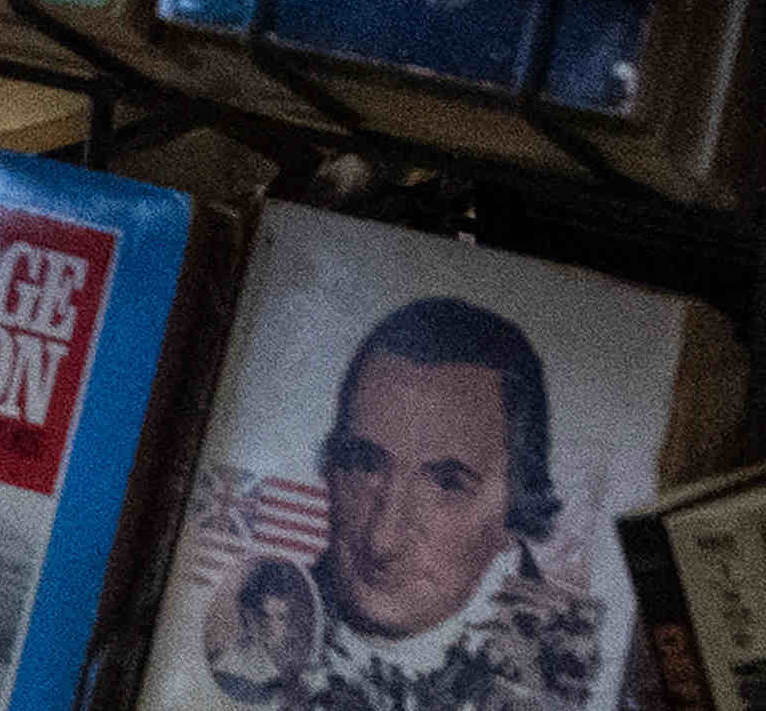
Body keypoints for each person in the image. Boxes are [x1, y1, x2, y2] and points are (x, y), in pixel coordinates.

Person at [211, 294, 601, 711]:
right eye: (364, 464)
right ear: (332, 467)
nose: (382, 540)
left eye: (447, 484)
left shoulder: (563, 671)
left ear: (516, 506)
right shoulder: (264, 633)